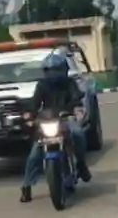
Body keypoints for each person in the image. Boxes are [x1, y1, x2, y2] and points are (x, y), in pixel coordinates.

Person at [19, 53, 91, 203]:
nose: (53, 73)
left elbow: (76, 97)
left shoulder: (69, 83)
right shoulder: (42, 85)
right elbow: (34, 103)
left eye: (56, 69)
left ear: (64, 69)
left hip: (66, 118)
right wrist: (29, 115)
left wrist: (76, 109)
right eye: (50, 70)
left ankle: (81, 165)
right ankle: (26, 186)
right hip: (47, 121)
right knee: (35, 154)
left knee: (78, 134)